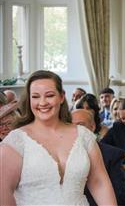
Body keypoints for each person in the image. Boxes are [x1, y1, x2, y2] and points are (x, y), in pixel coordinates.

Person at [0, 70, 117, 206]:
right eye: (36, 97)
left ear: (61, 97)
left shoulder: (83, 136)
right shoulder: (16, 141)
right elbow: (3, 193)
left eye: (49, 95)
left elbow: (99, 182)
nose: (42, 102)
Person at [71, 109, 125, 206]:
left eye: (80, 125)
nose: (76, 129)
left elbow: (119, 193)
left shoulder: (112, 155)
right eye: (71, 125)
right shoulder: (61, 153)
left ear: (92, 127)